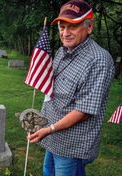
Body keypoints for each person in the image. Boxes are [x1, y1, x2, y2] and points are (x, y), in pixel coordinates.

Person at [28, 0, 115, 175]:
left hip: (72, 146)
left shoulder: (99, 60)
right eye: (62, 26)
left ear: (89, 27)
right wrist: (40, 125)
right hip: (52, 137)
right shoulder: (61, 52)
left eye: (72, 27)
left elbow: (85, 110)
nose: (65, 33)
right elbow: (52, 92)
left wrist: (49, 129)